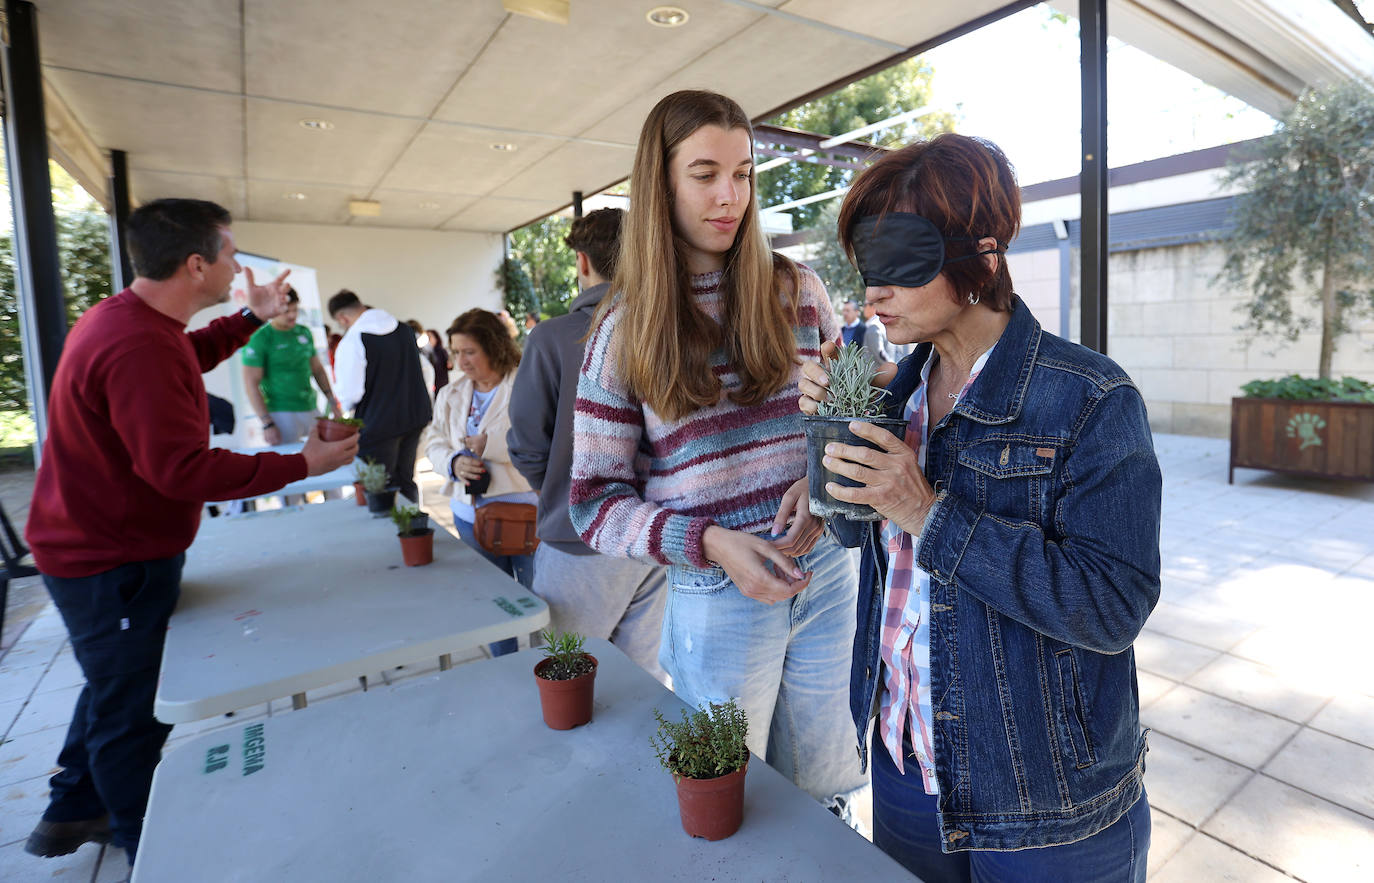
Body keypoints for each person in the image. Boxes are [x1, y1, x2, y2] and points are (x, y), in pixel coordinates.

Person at [798, 134, 1161, 881]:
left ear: (981, 253)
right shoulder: (892, 393)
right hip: (905, 765)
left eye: (899, 259)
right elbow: (851, 535)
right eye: (867, 264)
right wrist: (828, 439)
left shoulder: (1089, 398)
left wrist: (930, 512)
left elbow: (1113, 605)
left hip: (1045, 804)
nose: (873, 291)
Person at [22, 198, 358, 864]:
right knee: (130, 709)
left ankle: (70, 810)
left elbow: (191, 352)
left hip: (110, 551)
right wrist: (300, 464)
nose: (239, 265)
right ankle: (144, 842)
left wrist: (250, 315)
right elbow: (179, 468)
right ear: (196, 262)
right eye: (231, 253)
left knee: (112, 682)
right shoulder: (136, 341)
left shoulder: (141, 324)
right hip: (108, 562)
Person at [568, 90, 864, 813]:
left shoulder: (799, 289)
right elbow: (593, 505)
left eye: (744, 173)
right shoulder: (624, 330)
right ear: (660, 182)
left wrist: (823, 479)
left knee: (829, 792)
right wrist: (710, 541)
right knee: (729, 801)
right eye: (704, 174)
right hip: (717, 593)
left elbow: (848, 419)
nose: (729, 196)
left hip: (829, 574)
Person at [508, 208, 668, 683]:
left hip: (578, 540)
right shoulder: (669, 333)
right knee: (644, 688)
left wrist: (562, 488)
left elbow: (527, 444)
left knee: (567, 687)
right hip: (657, 538)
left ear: (582, 261)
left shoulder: (553, 337)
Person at [423, 308, 536, 655]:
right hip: (470, 516)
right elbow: (434, 441)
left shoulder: (528, 385)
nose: (461, 361)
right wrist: (453, 462)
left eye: (469, 351)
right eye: (456, 352)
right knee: (494, 601)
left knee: (539, 601)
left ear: (495, 347)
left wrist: (493, 446)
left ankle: (546, 666)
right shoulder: (451, 393)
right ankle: (505, 664)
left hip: (525, 515)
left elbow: (541, 439)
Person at [329, 290, 432, 502]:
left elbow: (350, 393)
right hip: (414, 414)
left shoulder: (354, 339)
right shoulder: (404, 329)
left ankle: (392, 530)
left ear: (342, 318)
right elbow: (423, 369)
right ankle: (413, 526)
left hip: (379, 422)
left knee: (379, 485)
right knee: (406, 478)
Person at [242, 286, 341, 445]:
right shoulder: (260, 338)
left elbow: (318, 370)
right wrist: (267, 423)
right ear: (273, 310)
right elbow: (251, 384)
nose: (293, 315)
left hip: (310, 407)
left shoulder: (304, 332)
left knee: (323, 458)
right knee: (289, 466)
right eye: (286, 311)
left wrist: (332, 402)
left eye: (295, 310)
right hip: (281, 412)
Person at [425, 328, 450, 394]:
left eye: (429, 337)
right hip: (429, 383)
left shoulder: (441, 351)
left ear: (436, 338)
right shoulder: (424, 352)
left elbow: (449, 366)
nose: (427, 339)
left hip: (440, 383)